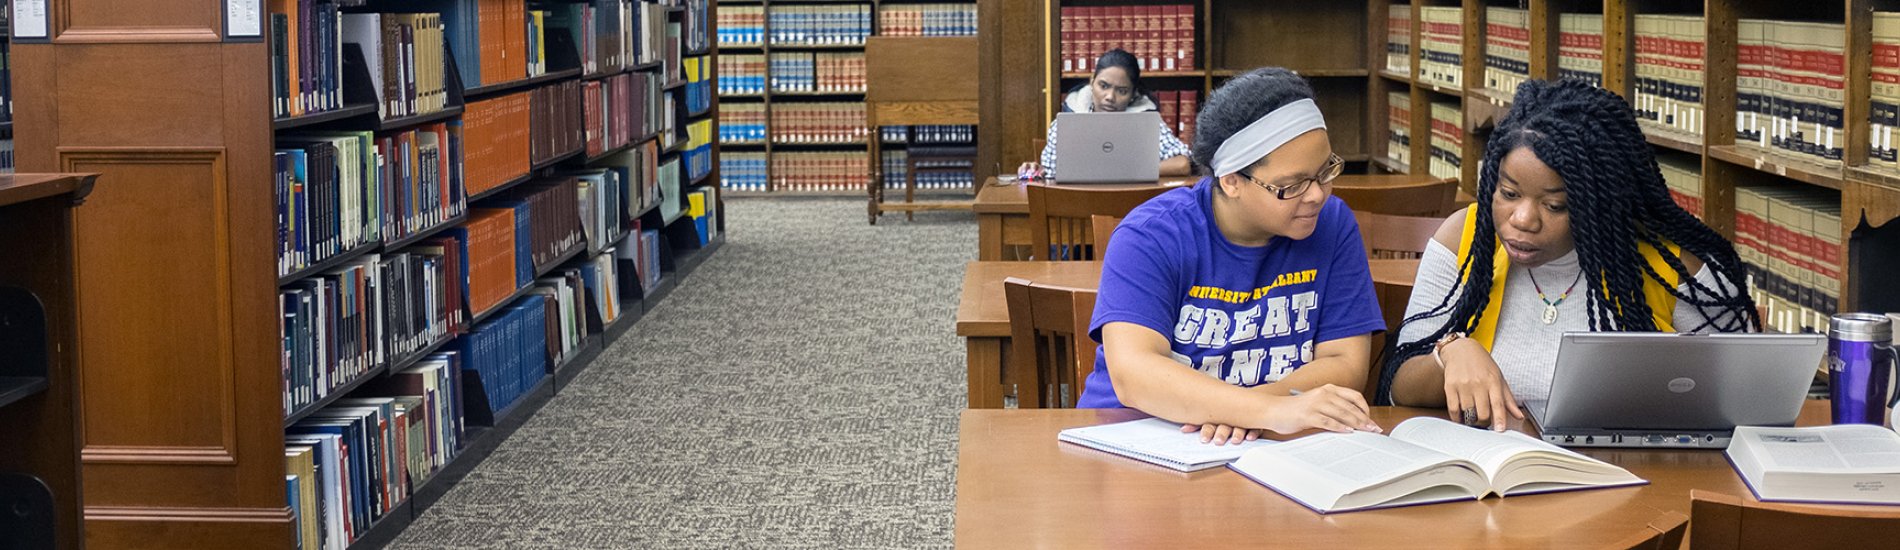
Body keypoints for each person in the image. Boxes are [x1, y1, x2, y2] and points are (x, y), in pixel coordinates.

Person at [1378, 79, 1760, 431]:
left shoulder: (1664, 266)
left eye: (1555, 205)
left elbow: (1752, 390)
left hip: (1629, 486)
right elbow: (1398, 389)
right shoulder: (1465, 238)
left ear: (1599, 205)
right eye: (1509, 194)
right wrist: (1451, 353)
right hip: (1489, 484)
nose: (1523, 219)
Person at [1081, 67, 1387, 445]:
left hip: (1269, 443)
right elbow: (1134, 374)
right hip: (1141, 438)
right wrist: (1269, 412)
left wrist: (1242, 412)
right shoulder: (1151, 235)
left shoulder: (1332, 223)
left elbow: (1345, 364)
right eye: (1291, 186)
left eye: (1326, 171)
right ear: (1231, 181)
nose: (1317, 195)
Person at [1019, 49, 1193, 179]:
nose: (1110, 97)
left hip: (1129, 211)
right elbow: (1050, 171)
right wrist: (1034, 170)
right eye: (1103, 86)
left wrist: (1122, 171)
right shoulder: (1067, 120)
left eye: (1122, 90)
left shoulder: (1146, 121)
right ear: (1091, 82)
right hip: (1079, 208)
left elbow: (1182, 164)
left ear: (1133, 94)